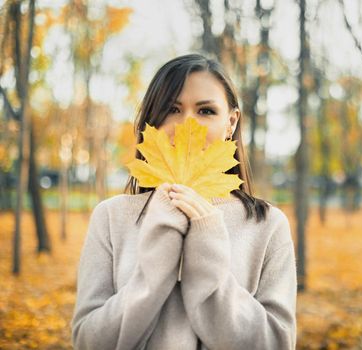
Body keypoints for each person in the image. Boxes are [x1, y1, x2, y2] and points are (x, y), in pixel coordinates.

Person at [70, 54, 297, 350]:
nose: (187, 125)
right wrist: (153, 273)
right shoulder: (112, 217)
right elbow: (89, 341)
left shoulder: (267, 225)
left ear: (231, 123)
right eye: (172, 109)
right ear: (151, 120)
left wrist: (208, 256)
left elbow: (276, 343)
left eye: (205, 111)